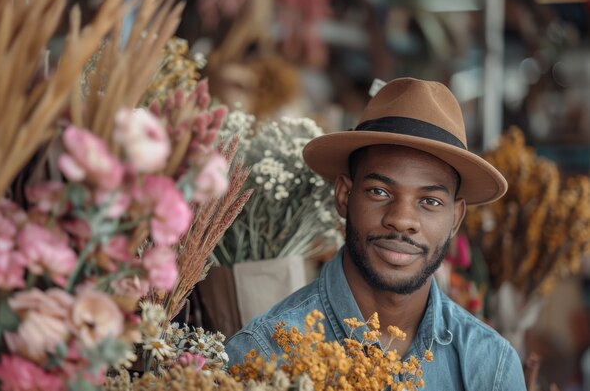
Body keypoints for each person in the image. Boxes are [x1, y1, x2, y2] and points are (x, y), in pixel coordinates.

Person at [225, 77, 526, 390]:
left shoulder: (491, 367)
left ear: (455, 219)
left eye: (430, 201)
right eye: (379, 191)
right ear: (344, 196)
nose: (402, 220)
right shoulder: (265, 355)